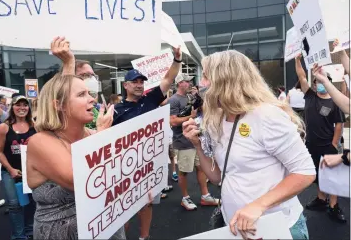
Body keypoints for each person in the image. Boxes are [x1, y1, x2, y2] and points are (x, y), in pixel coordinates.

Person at [183, 50, 316, 239]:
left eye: (205, 76)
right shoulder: (217, 119)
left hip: (277, 228)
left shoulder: (266, 115)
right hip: (237, 229)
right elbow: (217, 177)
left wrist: (258, 206)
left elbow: (305, 171)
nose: (201, 84)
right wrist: (197, 145)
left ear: (225, 79)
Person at [26, 73, 117, 239]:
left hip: (104, 227)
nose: (92, 99)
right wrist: (101, 138)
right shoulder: (40, 142)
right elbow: (82, 181)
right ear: (59, 105)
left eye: (89, 93)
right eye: (82, 95)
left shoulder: (94, 134)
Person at [112, 47, 182, 240]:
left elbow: (168, 79)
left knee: (147, 203)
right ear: (125, 85)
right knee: (122, 208)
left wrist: (176, 60)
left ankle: (145, 237)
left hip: (149, 164)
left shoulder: (150, 99)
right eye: (134, 82)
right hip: (125, 167)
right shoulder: (116, 110)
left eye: (141, 81)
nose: (139, 85)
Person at [295, 54, 346, 223]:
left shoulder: (334, 102)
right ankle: (321, 199)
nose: (319, 85)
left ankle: (333, 206)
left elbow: (339, 124)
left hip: (327, 146)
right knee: (317, 174)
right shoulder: (310, 96)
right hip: (311, 145)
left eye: (323, 82)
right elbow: (302, 76)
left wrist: (333, 144)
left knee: (332, 177)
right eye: (317, 82)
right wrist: (297, 60)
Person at [169, 73, 218, 211]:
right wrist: (191, 116)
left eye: (189, 81)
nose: (189, 83)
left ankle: (205, 195)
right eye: (186, 81)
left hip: (195, 139)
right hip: (182, 141)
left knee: (201, 168)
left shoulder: (190, 97)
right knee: (184, 171)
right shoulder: (173, 100)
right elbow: (172, 121)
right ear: (180, 83)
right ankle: (185, 198)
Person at [0, 93, 37, 239]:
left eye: (25, 105)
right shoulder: (4, 127)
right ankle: (19, 236)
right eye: (18, 104)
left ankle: (29, 232)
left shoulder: (34, 126)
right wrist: (10, 169)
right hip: (10, 172)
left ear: (29, 108)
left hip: (30, 171)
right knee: (15, 205)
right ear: (12, 107)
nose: (22, 108)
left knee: (31, 203)